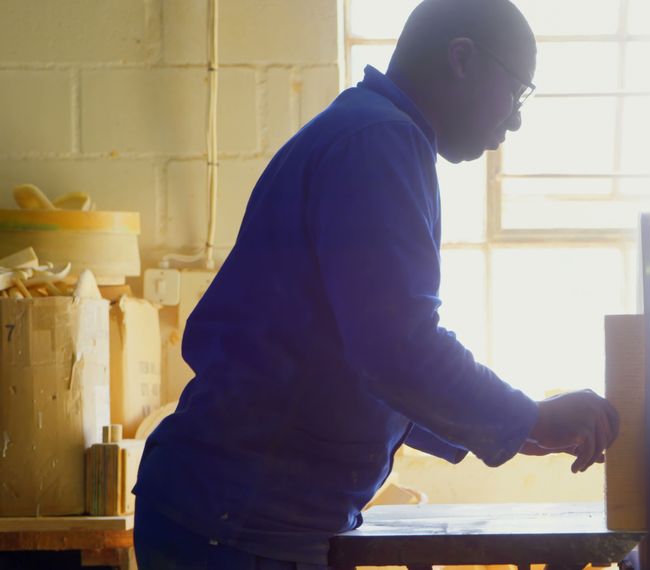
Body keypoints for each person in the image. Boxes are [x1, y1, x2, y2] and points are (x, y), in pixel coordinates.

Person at [132, 0, 620, 568]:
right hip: (237, 522)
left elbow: (360, 358)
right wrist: (527, 418)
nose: (514, 120)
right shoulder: (379, 142)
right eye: (517, 92)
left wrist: (514, 429)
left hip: (236, 516)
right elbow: (398, 349)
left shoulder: (372, 132)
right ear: (461, 58)